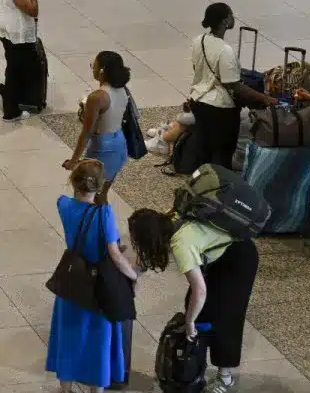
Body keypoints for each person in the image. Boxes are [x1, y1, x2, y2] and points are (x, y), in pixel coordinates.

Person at [130, 206, 258, 393]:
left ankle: (225, 378)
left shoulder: (181, 243)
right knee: (201, 311)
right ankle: (193, 368)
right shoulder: (169, 219)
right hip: (219, 259)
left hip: (238, 260)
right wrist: (131, 275)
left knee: (223, 317)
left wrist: (190, 322)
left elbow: (200, 291)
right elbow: (147, 258)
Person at [48, 159, 140, 392]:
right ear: (100, 187)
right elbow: (114, 254)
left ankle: (65, 388)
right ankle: (95, 388)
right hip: (97, 285)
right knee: (98, 339)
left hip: (72, 279)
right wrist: (132, 274)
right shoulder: (104, 214)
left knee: (68, 336)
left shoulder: (63, 205)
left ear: (73, 182)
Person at [183, 2, 274, 171]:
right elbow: (233, 85)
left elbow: (198, 70)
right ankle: (219, 187)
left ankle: (202, 184)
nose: (234, 18)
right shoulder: (225, 50)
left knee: (204, 149)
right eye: (231, 15)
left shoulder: (199, 41)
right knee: (222, 153)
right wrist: (265, 98)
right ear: (225, 21)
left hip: (198, 102)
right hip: (220, 108)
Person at [64, 52, 134, 182]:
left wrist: (73, 161)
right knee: (102, 192)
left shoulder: (97, 97)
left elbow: (86, 132)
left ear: (102, 71)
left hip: (102, 147)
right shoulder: (122, 89)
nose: (92, 69)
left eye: (94, 66)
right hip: (119, 142)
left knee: (90, 191)